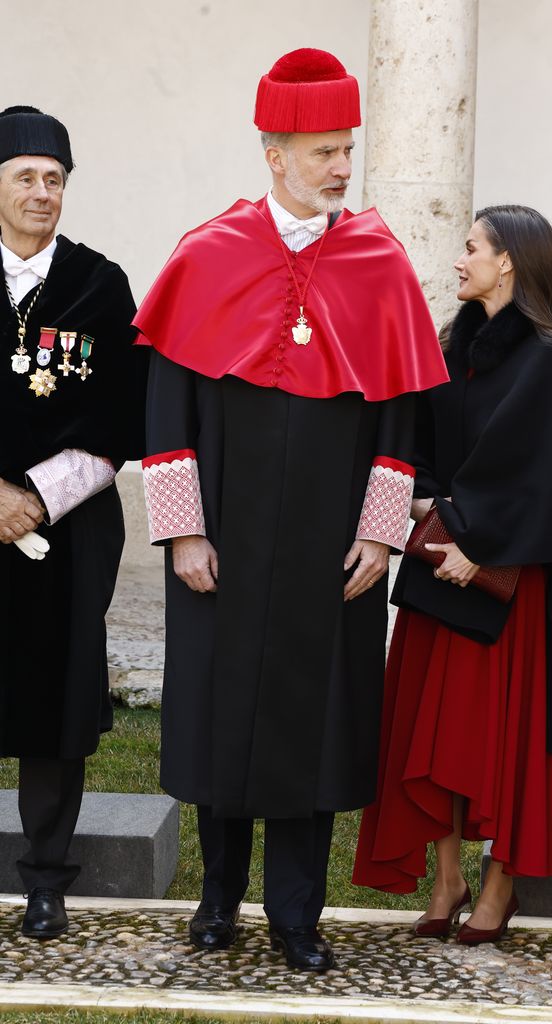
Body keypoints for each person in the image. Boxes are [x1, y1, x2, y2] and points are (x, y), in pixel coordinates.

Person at [135, 48, 447, 971]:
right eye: (323, 153)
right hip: (220, 538)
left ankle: (297, 917)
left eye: (346, 150)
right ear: (275, 154)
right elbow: (167, 412)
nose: (341, 168)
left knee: (311, 729)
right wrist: (183, 526)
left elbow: (400, 418)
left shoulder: (379, 261)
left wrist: (380, 533)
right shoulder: (206, 254)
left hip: (328, 548)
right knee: (222, 714)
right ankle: (218, 900)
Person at [353, 205, 552, 944]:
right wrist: (438, 521)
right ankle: (447, 876)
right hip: (437, 567)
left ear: (510, 262)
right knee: (433, 732)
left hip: (507, 582)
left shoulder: (551, 359)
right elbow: (418, 445)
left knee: (495, 738)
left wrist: (482, 545)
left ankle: (499, 886)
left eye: (470, 249)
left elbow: (548, 478)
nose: (459, 261)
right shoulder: (448, 345)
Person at [0, 106, 147, 938]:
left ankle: (46, 877)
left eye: (54, 180)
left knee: (56, 705)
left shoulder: (100, 283)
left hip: (70, 527)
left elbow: (121, 416)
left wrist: (34, 500)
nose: (42, 193)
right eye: (25, 176)